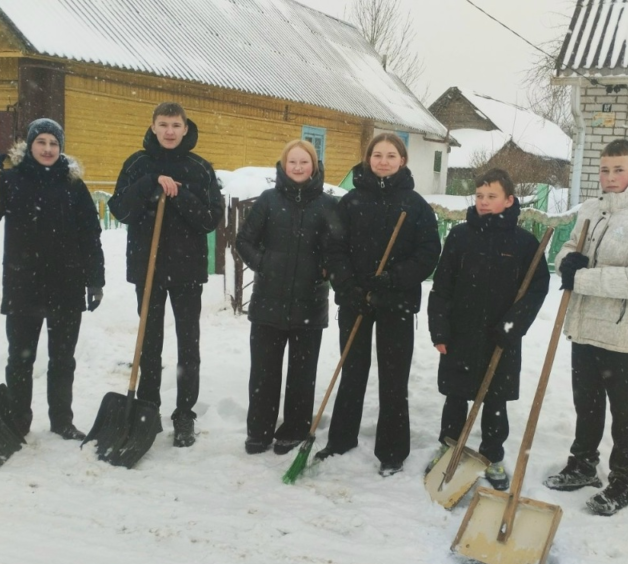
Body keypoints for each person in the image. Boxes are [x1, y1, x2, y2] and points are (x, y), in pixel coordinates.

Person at [544, 138, 628, 516]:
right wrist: (567, 262)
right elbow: (570, 248)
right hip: (584, 323)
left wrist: (582, 278)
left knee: (623, 410)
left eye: (619, 169)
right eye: (604, 169)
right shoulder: (593, 209)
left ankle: (622, 480)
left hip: (622, 330)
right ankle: (583, 463)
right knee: (586, 402)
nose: (610, 176)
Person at [0, 118, 105, 441]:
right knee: (20, 359)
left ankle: (62, 421)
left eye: (53, 143)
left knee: (63, 360)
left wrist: (95, 280)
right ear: (30, 146)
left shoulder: (73, 186)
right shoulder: (11, 180)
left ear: (61, 148)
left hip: (66, 284)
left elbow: (90, 235)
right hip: (23, 284)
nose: (47, 149)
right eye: (41, 142)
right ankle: (19, 421)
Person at [317, 133, 441, 477]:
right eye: (377, 155)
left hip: (396, 301)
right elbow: (333, 248)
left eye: (391, 155)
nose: (383, 161)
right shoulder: (350, 202)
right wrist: (348, 286)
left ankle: (392, 450)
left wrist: (393, 278)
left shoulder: (415, 205)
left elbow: (428, 253)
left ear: (402, 160)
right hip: (356, 300)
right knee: (352, 370)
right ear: (368, 159)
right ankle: (341, 439)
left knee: (393, 377)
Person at [108, 102, 224, 447]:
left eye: (175, 125)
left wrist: (179, 193)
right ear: (153, 126)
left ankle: (184, 414)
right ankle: (148, 407)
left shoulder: (200, 169)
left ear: (185, 128)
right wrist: (149, 183)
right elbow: (120, 210)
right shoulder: (137, 164)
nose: (169, 131)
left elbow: (210, 219)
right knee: (149, 342)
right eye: (163, 124)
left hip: (187, 270)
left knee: (189, 344)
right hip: (147, 268)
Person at [426, 168, 550, 490]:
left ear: (509, 200)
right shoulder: (460, 237)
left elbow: (537, 289)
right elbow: (442, 287)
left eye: (491, 196)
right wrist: (439, 329)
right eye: (479, 196)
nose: (483, 201)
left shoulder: (524, 243)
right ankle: (449, 446)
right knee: (456, 396)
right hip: (461, 333)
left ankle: (492, 455)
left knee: (495, 401)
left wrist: (512, 325)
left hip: (501, 337)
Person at [235, 140, 340, 455]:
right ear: (283, 165)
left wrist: (325, 269)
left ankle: (294, 429)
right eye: (292, 162)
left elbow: (338, 247)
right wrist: (264, 263)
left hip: (310, 302)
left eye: (304, 162)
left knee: (302, 375)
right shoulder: (268, 200)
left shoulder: (327, 204)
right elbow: (244, 240)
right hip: (268, 301)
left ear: (314, 166)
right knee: (263, 373)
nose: (297, 167)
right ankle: (259, 431)